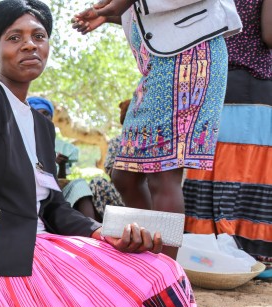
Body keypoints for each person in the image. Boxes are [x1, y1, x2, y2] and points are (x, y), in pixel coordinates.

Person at [0, 0, 202, 307]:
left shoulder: (42, 126)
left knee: (160, 270)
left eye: (38, 36)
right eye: (15, 38)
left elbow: (53, 206)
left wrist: (101, 233)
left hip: (42, 247)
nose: (30, 45)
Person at [73, 0, 242, 258]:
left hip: (188, 55)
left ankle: (164, 274)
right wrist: (109, 15)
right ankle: (150, 257)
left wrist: (117, 5)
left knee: (164, 173)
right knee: (124, 175)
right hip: (157, 64)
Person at [184, 0, 272, 270]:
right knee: (251, 170)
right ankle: (256, 254)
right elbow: (269, 36)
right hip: (255, 84)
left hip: (209, 81)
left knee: (212, 168)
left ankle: (205, 250)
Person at [27, 96, 97, 218]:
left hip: (55, 194)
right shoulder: (22, 139)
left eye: (46, 114)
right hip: (30, 192)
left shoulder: (58, 145)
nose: (43, 118)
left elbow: (61, 180)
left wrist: (61, 165)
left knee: (79, 184)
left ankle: (93, 229)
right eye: (37, 114)